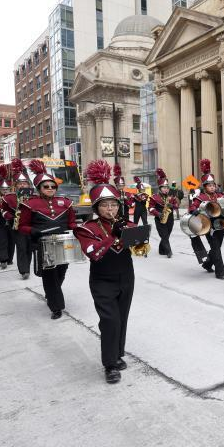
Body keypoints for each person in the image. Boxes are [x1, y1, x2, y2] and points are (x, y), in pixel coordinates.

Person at [73, 160, 141, 384]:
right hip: (103, 280)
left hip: (126, 276)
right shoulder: (86, 229)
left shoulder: (126, 224)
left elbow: (140, 247)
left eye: (113, 205)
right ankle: (110, 364)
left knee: (122, 318)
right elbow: (93, 253)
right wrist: (113, 235)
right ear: (96, 208)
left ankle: (117, 354)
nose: (110, 209)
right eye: (105, 205)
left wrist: (138, 238)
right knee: (110, 320)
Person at [18, 159, 77, 319]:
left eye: (53, 186)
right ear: (39, 188)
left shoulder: (66, 203)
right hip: (43, 244)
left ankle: (51, 293)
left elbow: (71, 222)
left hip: (64, 242)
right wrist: (33, 231)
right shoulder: (30, 204)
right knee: (50, 276)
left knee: (61, 273)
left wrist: (78, 229)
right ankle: (56, 307)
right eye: (46, 186)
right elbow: (22, 226)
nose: (50, 189)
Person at [190, 159, 224, 279]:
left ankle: (207, 264)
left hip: (221, 224)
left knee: (216, 247)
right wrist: (194, 210)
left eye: (213, 185)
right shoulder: (200, 197)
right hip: (208, 225)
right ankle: (220, 272)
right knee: (216, 247)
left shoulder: (220, 195)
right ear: (205, 187)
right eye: (210, 186)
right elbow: (193, 206)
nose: (212, 187)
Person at [2, 158, 34, 279]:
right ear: (15, 186)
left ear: (28, 185)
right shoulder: (9, 197)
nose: (22, 185)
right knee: (21, 248)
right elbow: (4, 210)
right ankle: (24, 271)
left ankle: (27, 268)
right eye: (20, 184)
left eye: (24, 183)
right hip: (17, 227)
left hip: (31, 227)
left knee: (29, 249)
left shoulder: (34, 197)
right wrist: (9, 216)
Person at [148, 168, 177, 257]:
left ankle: (161, 250)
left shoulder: (171, 197)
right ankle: (169, 251)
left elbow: (176, 205)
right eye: (164, 188)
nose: (166, 189)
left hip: (170, 218)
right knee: (164, 235)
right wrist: (158, 214)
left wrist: (173, 206)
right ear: (160, 188)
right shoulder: (154, 197)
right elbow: (150, 208)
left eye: (167, 188)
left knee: (167, 235)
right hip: (159, 218)